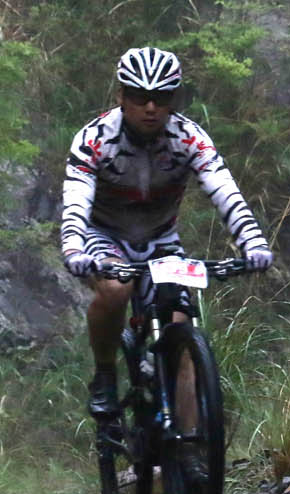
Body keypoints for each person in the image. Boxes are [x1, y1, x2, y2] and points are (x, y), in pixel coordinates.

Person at [61, 46, 274, 422]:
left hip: (161, 241)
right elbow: (76, 199)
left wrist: (252, 241)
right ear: (121, 96)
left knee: (182, 331)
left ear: (173, 99)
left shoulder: (189, 138)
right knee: (115, 289)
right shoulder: (94, 138)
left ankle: (189, 455)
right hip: (105, 236)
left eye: (160, 98)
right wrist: (74, 247)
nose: (150, 108)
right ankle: (106, 372)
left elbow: (224, 190)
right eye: (140, 97)